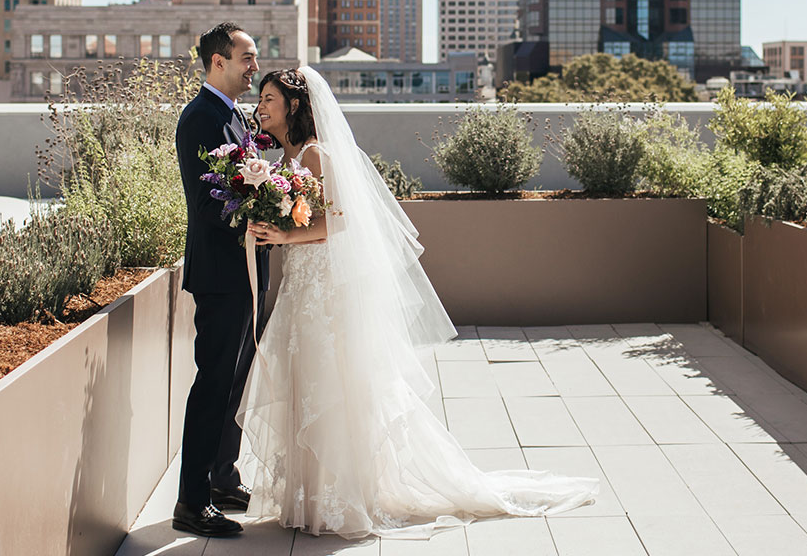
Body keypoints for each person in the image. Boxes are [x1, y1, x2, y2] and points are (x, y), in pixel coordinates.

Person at [238, 67, 600, 538]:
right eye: (261, 98)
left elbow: (339, 222)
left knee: (328, 384)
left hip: (322, 289)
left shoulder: (315, 154)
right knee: (305, 380)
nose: (261, 106)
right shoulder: (287, 159)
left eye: (269, 98)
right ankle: (310, 496)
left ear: (295, 106)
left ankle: (340, 498)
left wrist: (284, 233)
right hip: (300, 284)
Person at [170, 23, 269, 539]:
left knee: (234, 381)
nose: (255, 65)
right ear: (218, 62)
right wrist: (262, 212)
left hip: (245, 270)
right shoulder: (200, 119)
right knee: (212, 384)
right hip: (221, 275)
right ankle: (191, 502)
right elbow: (207, 204)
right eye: (247, 57)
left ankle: (222, 478)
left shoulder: (233, 115)